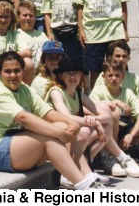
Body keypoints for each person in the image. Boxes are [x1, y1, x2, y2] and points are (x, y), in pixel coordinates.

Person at [0, 51, 104, 189]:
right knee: (50, 136)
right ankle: (83, 186)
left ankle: (87, 176)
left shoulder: (24, 88)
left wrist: (71, 123)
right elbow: (24, 118)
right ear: (0, 72)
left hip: (21, 147)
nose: (13, 75)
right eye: (7, 71)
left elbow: (46, 112)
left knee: (63, 125)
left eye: (17, 70)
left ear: (23, 71)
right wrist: (58, 132)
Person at [48, 58, 120, 188]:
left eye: (76, 73)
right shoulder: (56, 91)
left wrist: (96, 120)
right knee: (85, 132)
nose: (73, 77)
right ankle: (66, 174)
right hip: (54, 136)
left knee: (107, 128)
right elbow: (65, 117)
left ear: (81, 75)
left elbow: (105, 115)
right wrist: (93, 122)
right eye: (68, 73)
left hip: (70, 133)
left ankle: (84, 166)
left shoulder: (78, 93)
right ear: (60, 76)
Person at [93, 41, 139, 161]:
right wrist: (115, 104)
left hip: (129, 119)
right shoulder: (103, 78)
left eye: (124, 56)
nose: (121, 59)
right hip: (110, 119)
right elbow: (93, 104)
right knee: (115, 113)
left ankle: (131, 145)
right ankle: (114, 152)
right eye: (118, 56)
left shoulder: (133, 79)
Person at [90, 61, 139, 176]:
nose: (114, 78)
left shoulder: (128, 92)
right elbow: (91, 109)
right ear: (104, 77)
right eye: (110, 75)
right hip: (105, 128)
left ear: (123, 76)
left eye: (117, 75)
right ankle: (109, 157)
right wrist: (115, 102)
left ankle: (122, 149)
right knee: (114, 112)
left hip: (123, 129)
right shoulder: (98, 91)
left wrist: (131, 135)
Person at [15, 0, 49, 77]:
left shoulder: (42, 35)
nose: (28, 18)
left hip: (43, 74)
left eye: (31, 15)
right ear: (18, 17)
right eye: (25, 15)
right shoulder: (15, 35)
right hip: (26, 75)